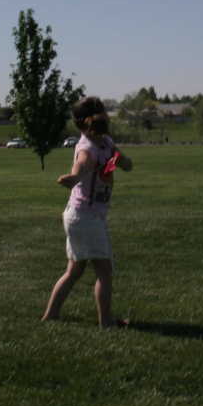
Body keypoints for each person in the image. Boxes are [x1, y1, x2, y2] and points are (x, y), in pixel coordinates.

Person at [41, 97, 133, 328]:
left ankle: (51, 315)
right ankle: (106, 322)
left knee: (74, 270)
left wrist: (121, 162)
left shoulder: (106, 143)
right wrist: (74, 178)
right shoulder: (88, 148)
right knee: (104, 271)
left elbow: (115, 163)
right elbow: (82, 166)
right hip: (86, 217)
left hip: (80, 215)